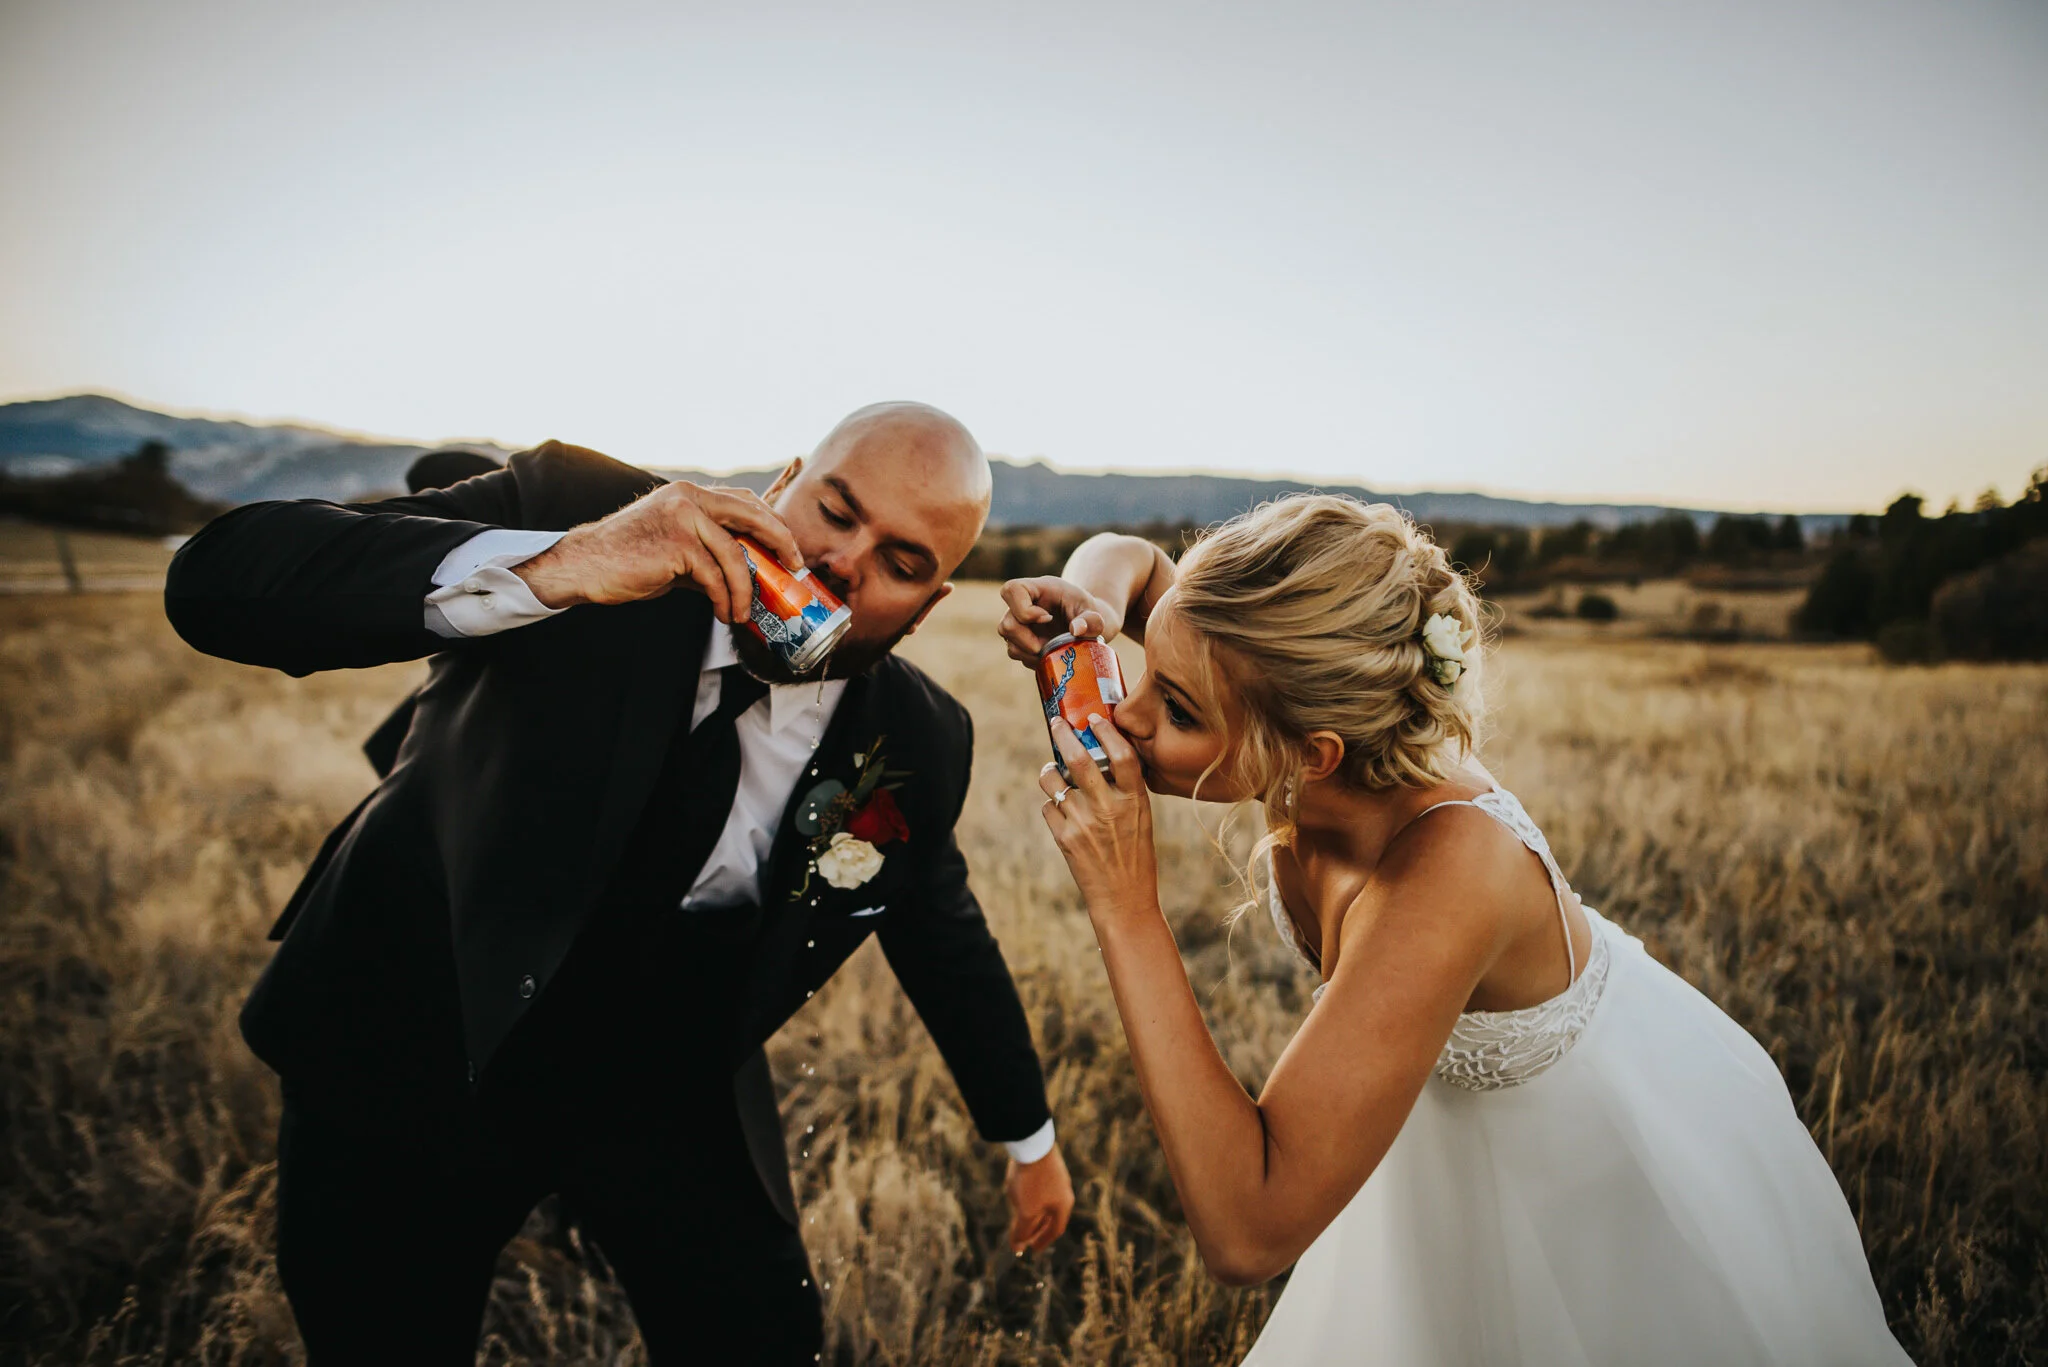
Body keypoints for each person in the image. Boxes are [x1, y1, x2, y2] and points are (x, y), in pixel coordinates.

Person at [165, 403, 1074, 1365]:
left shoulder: (922, 742)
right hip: (418, 1022)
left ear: (930, 606)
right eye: (836, 510)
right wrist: (564, 566)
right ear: (780, 484)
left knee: (764, 1341)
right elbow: (221, 580)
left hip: (665, 1080)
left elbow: (940, 930)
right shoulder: (587, 510)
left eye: (902, 563)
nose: (845, 562)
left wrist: (1028, 1139)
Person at [998, 494, 1909, 1365]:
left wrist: (1124, 902)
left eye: (1182, 709)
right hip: (1429, 1148)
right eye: (1148, 669)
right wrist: (1091, 599)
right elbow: (1133, 559)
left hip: (1598, 1181)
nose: (1130, 712)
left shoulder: (1452, 870)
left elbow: (1248, 1232)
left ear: (1313, 755)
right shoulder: (1264, 666)